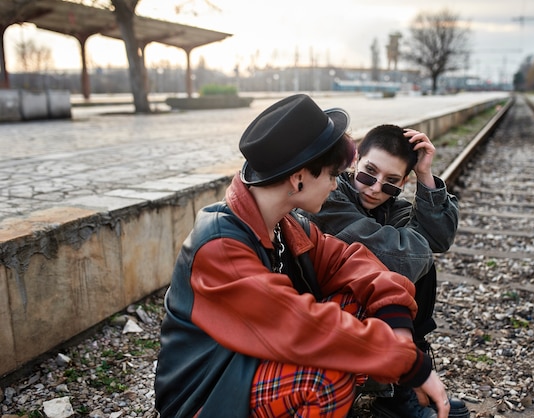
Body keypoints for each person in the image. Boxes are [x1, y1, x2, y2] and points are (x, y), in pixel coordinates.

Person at [154, 94, 451, 418]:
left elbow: (353, 262)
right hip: (207, 393)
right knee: (325, 378)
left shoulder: (286, 226)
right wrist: (409, 363)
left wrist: (397, 324)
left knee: (360, 304)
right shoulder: (219, 245)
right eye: (332, 175)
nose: (336, 184)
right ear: (298, 179)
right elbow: (298, 326)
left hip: (249, 363)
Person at [298, 124, 465, 418]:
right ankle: (396, 383)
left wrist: (425, 176)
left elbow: (439, 238)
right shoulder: (329, 199)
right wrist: (415, 244)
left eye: (391, 182)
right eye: (368, 173)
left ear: (403, 183)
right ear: (355, 161)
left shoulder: (392, 208)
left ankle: (401, 388)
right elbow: (404, 259)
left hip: (347, 319)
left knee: (419, 267)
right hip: (313, 319)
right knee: (402, 267)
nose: (375, 188)